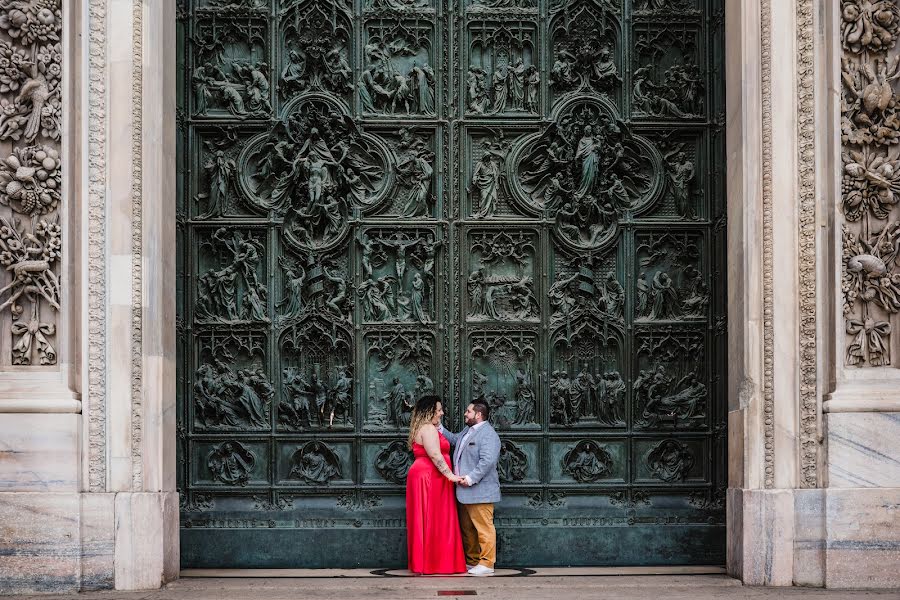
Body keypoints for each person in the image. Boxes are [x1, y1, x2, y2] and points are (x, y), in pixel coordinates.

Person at [405, 395, 467, 575]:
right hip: (431, 477)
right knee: (435, 518)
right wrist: (451, 475)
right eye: (438, 409)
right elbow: (435, 455)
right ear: (429, 411)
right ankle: (436, 562)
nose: (441, 413)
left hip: (427, 475)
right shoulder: (428, 429)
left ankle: (428, 561)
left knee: (429, 518)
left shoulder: (422, 428)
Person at [440, 400, 502, 576]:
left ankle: (487, 563)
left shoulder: (488, 434)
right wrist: (439, 428)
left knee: (483, 528)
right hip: (464, 492)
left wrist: (470, 478)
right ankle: (473, 560)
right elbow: (454, 440)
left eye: (468, 411)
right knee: (468, 529)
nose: (465, 414)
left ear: (478, 414)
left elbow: (487, 461)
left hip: (480, 491)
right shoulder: (468, 431)